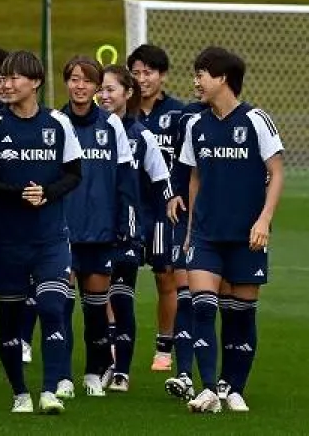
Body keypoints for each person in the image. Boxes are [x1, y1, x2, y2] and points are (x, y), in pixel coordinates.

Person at [175, 47, 284, 414]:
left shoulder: (256, 120)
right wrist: (190, 230)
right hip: (206, 234)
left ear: (222, 78)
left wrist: (264, 219)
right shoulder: (195, 125)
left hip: (246, 236)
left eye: (201, 74)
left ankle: (234, 386)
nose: (196, 81)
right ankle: (208, 390)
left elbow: (278, 172)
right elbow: (193, 179)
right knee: (202, 307)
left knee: (240, 314)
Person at [0, 50, 83, 414]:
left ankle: (50, 390)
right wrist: (14, 194)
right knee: (9, 320)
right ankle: (20, 393)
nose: (6, 85)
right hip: (7, 239)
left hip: (50, 237)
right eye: (3, 78)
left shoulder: (58, 123)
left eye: (14, 78)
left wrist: (48, 193)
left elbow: (73, 173)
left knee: (53, 307)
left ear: (36, 82)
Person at [60, 56, 140, 398]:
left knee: (95, 308)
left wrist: (125, 224)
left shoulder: (112, 125)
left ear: (95, 87)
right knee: (59, 307)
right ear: (66, 83)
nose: (80, 86)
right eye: (74, 79)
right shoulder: (55, 122)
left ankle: (94, 371)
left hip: (100, 231)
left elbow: (125, 178)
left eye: (87, 80)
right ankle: (61, 374)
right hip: (61, 232)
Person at [98, 64, 179, 393]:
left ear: (127, 94)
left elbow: (161, 178)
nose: (104, 95)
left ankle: (123, 370)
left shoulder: (140, 135)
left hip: (133, 224)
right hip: (96, 225)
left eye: (111, 89)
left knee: (124, 293)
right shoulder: (85, 128)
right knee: (95, 293)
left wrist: (172, 205)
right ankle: (104, 359)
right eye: (100, 89)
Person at [128, 44, 188, 374]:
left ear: (162, 75)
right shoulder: (123, 113)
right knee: (118, 276)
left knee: (166, 276)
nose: (141, 79)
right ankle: (114, 343)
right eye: (135, 73)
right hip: (129, 207)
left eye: (148, 72)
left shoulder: (178, 114)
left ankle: (165, 346)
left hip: (164, 209)